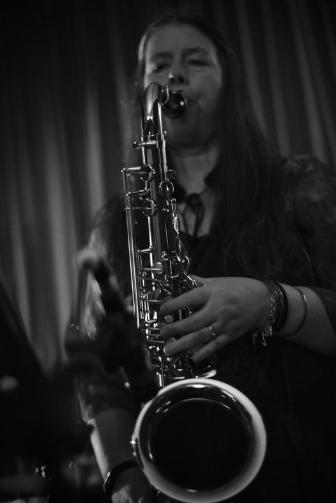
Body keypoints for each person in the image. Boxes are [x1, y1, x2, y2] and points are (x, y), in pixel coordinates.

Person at [68, 11, 336, 503]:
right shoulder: (115, 223)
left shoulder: (299, 186)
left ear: (229, 81)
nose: (174, 75)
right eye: (159, 65)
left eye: (195, 60)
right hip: (174, 474)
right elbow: (98, 379)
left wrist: (270, 303)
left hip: (304, 471)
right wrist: (123, 476)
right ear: (143, 89)